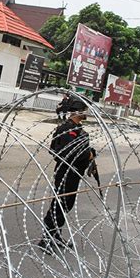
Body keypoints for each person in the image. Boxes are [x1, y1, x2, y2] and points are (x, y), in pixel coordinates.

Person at [38, 97, 94, 253]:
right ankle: (46, 238)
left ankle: (56, 235)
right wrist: (86, 155)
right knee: (59, 204)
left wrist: (90, 155)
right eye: (84, 109)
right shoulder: (66, 129)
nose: (86, 112)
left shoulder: (79, 130)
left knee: (67, 204)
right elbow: (62, 151)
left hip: (75, 173)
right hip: (65, 172)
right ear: (78, 111)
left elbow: (82, 149)